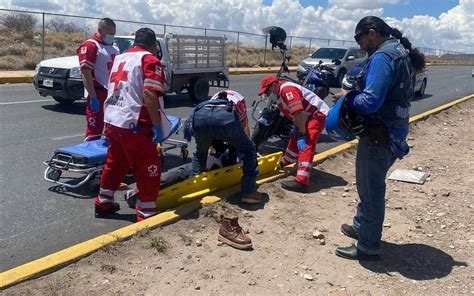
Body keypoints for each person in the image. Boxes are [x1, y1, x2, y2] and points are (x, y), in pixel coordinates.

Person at [333, 16, 425, 260]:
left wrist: (348, 95)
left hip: (379, 134)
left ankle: (368, 247)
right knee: (368, 184)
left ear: (372, 33)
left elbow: (369, 101)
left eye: (359, 38)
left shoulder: (384, 57)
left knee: (371, 189)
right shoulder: (399, 51)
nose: (360, 45)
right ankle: (361, 227)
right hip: (394, 130)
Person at [94, 27, 169, 222]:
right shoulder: (150, 60)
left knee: (115, 163)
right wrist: (157, 125)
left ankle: (103, 202)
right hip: (135, 124)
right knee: (148, 168)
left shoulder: (121, 57)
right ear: (153, 45)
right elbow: (149, 94)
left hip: (113, 120)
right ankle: (146, 213)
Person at [258, 76, 329, 193]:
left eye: (267, 91)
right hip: (306, 116)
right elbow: (294, 115)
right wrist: (297, 129)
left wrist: (302, 133)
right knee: (295, 138)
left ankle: (302, 181)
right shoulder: (279, 95)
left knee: (306, 144)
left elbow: (298, 112)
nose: (267, 94)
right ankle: (287, 161)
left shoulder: (287, 90)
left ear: (274, 85)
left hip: (316, 115)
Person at [77, 18, 119, 140]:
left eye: (113, 34)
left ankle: (108, 156)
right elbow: (85, 72)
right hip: (98, 92)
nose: (111, 36)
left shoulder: (113, 47)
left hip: (112, 94)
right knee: (94, 132)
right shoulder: (90, 46)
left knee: (112, 129)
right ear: (100, 30)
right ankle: (90, 157)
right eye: (110, 33)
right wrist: (93, 96)